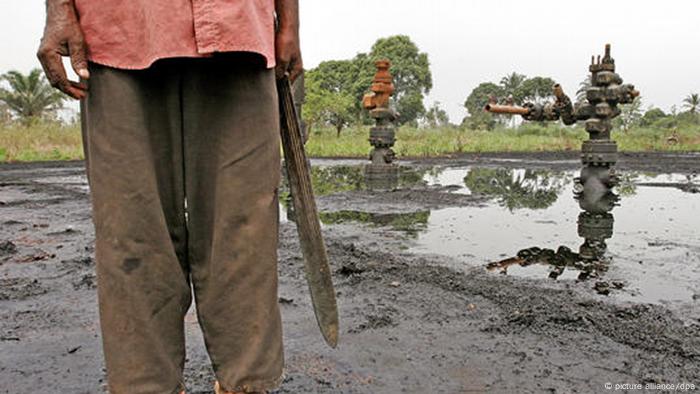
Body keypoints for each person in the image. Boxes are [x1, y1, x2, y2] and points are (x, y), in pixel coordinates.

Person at [37, 1, 302, 393]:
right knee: (131, 228)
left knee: (245, 228)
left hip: (238, 26)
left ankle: (246, 386)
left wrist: (290, 22)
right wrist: (58, 9)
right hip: (117, 28)